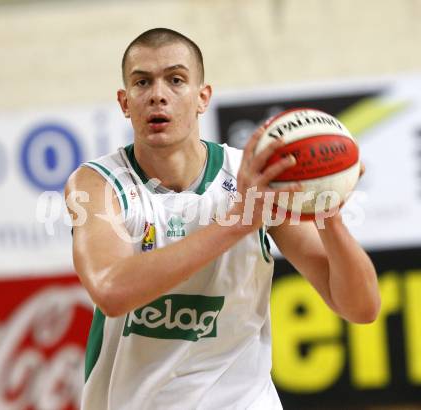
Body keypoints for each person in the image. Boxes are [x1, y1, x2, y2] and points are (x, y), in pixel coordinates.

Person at [65, 28, 380, 410]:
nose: (158, 94)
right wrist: (238, 221)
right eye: (142, 82)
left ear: (203, 98)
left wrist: (329, 216)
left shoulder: (253, 177)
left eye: (176, 80)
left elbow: (361, 308)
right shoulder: (98, 182)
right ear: (124, 102)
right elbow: (111, 290)